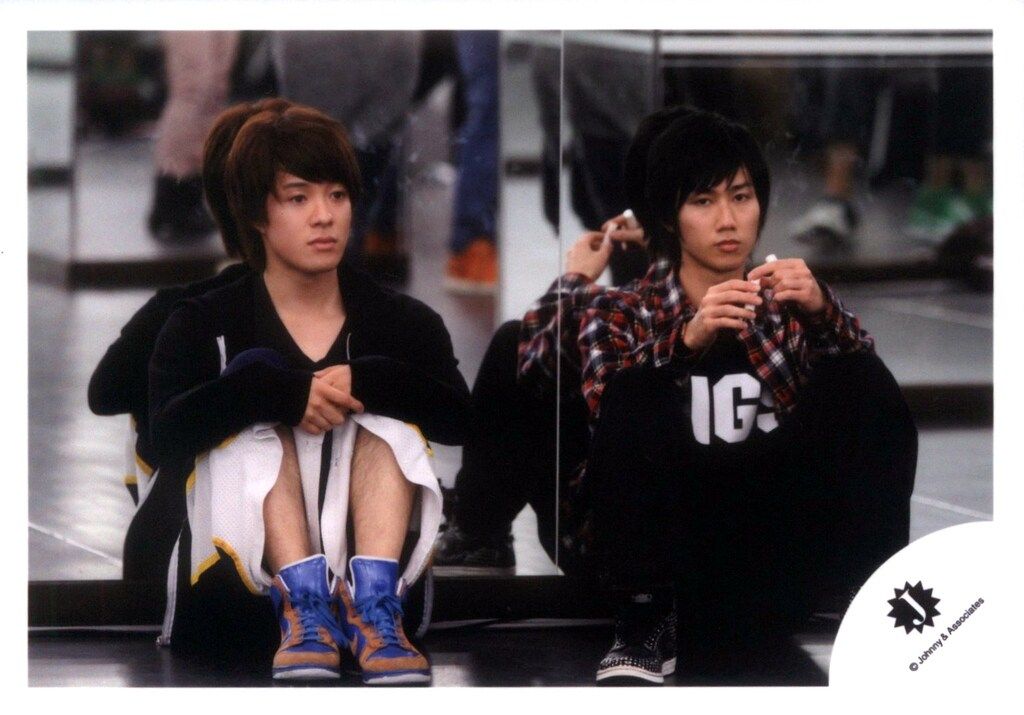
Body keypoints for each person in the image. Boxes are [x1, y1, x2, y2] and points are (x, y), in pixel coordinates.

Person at [442, 106, 917, 685]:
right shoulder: (619, 310)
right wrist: (685, 341)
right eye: (703, 201)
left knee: (863, 375)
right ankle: (643, 620)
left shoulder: (789, 305)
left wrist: (822, 312)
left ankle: (875, 597)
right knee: (631, 390)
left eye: (741, 197)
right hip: (658, 558)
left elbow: (865, 415)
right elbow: (605, 416)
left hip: (765, 556)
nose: (727, 220)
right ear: (669, 217)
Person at [144, 100, 470, 684]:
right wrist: (271, 392)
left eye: (337, 196)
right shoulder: (203, 320)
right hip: (241, 602)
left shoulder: (402, 321)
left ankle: (372, 606)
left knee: (385, 420)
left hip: (380, 619)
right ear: (257, 216)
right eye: (298, 199)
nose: (324, 216)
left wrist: (370, 380)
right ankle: (302, 602)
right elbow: (163, 437)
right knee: (251, 392)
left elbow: (462, 423)